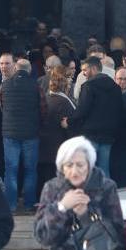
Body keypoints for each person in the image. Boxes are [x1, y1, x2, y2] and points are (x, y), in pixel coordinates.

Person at [33, 136, 125, 250]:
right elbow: (43, 236)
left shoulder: (106, 187)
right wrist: (61, 208)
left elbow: (118, 234)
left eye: (80, 165)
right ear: (61, 166)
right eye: (68, 165)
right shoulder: (52, 188)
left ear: (90, 164)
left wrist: (87, 215)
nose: (74, 171)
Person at [65, 57, 125, 176]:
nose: (83, 73)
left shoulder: (88, 86)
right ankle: (105, 193)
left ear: (93, 68)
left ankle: (90, 194)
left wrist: (69, 121)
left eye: (85, 70)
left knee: (89, 168)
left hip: (91, 133)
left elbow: (82, 110)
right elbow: (119, 111)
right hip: (108, 134)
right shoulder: (115, 88)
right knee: (104, 168)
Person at [0, 58, 41, 212]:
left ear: (16, 68)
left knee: (11, 169)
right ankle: (30, 203)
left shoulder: (5, 85)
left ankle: (10, 204)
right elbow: (42, 107)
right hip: (31, 132)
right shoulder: (35, 85)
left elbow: (1, 104)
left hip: (10, 133)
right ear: (29, 69)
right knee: (30, 169)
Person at [39, 66, 77, 198]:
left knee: (45, 178)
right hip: (59, 146)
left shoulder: (46, 99)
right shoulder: (64, 102)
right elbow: (71, 124)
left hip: (44, 145)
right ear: (64, 86)